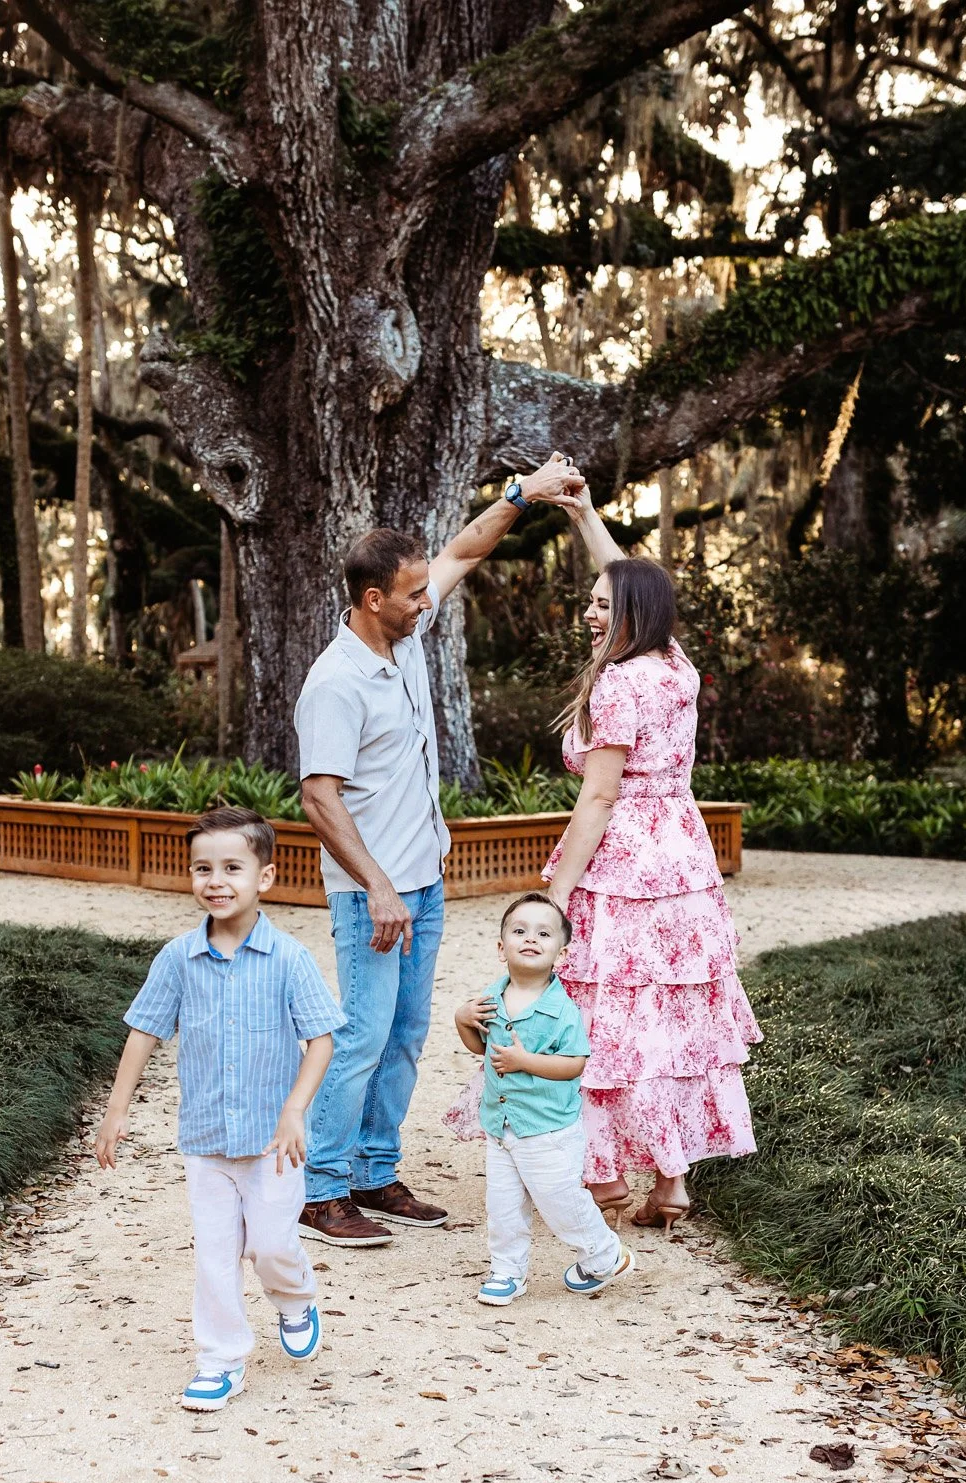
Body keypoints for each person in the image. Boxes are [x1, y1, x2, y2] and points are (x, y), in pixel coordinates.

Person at [291, 450, 588, 1247]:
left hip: (420, 883)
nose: (431, 600)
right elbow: (318, 798)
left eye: (426, 589)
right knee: (360, 1035)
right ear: (372, 598)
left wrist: (524, 495)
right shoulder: (334, 682)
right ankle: (320, 1192)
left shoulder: (406, 638)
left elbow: (463, 550)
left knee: (405, 1033)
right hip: (372, 895)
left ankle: (373, 1173)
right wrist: (381, 886)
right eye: (415, 593)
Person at [538, 486, 763, 1232]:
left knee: (609, 1016)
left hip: (626, 864)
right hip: (684, 860)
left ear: (635, 616)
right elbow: (635, 584)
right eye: (590, 602)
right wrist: (584, 517)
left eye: (605, 606)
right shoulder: (674, 667)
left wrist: (557, 892)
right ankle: (671, 1183)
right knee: (669, 1017)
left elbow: (599, 797)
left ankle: (603, 1181)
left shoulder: (620, 682)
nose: (593, 613)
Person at [94, 806, 343, 1413]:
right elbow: (143, 1033)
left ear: (266, 877)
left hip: (274, 1142)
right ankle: (220, 1359)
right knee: (214, 1255)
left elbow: (322, 1039)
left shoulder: (289, 958)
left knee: (272, 1245)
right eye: (202, 868)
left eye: (232, 867)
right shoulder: (177, 958)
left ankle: (295, 1297)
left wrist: (294, 1110)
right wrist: (116, 1109)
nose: (215, 880)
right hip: (205, 1140)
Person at [451, 892, 635, 1305]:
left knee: (561, 1202)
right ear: (502, 948)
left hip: (547, 1128)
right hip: (501, 1125)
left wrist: (525, 1061)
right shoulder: (490, 998)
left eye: (543, 933)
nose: (530, 938)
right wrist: (461, 1020)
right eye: (519, 931)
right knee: (503, 1205)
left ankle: (605, 1255)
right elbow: (481, 1049)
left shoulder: (562, 1010)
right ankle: (507, 1271)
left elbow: (574, 1064)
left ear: (561, 953)